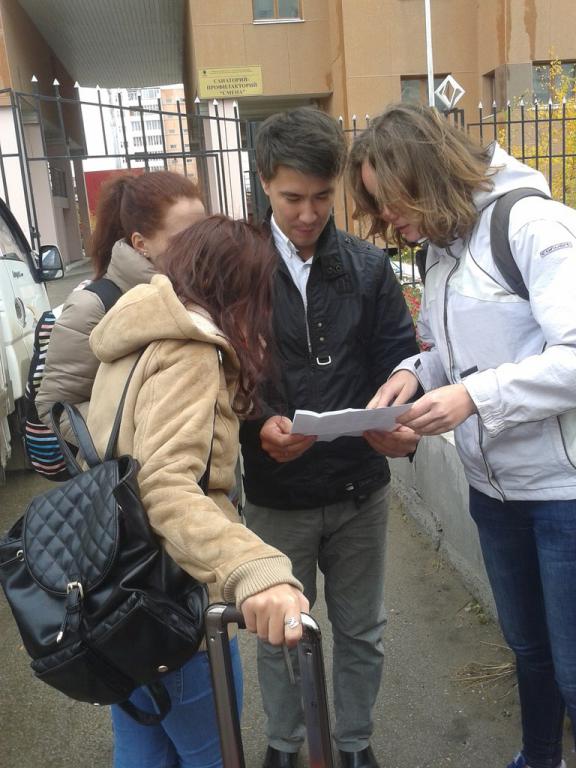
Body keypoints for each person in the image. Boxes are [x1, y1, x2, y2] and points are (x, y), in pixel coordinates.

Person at [347, 102, 576, 768]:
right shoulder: (443, 250)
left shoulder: (533, 226)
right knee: (529, 651)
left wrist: (474, 397)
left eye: (391, 199)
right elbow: (450, 351)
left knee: (573, 667)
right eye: (377, 204)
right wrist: (412, 375)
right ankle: (539, 758)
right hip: (493, 492)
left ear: (428, 173)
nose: (388, 217)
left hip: (563, 495)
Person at [86, 215, 309, 768]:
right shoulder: (189, 351)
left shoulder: (137, 334)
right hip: (172, 597)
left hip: (118, 586)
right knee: (210, 753)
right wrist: (251, 565)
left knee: (142, 747)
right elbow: (164, 483)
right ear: (239, 287)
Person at [239, 107, 420, 768]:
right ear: (265, 181)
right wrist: (257, 425)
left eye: (322, 196)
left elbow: (401, 361)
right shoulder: (239, 265)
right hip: (276, 494)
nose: (309, 213)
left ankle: (354, 744)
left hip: (359, 488)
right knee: (279, 631)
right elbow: (223, 370)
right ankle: (285, 744)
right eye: (293, 198)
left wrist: (402, 424)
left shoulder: (368, 267)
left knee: (363, 629)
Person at [36, 170, 205, 443]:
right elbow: (55, 409)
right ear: (141, 243)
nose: (200, 250)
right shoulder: (91, 307)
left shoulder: (206, 291)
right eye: (184, 240)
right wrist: (138, 437)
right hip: (138, 464)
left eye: (204, 235)